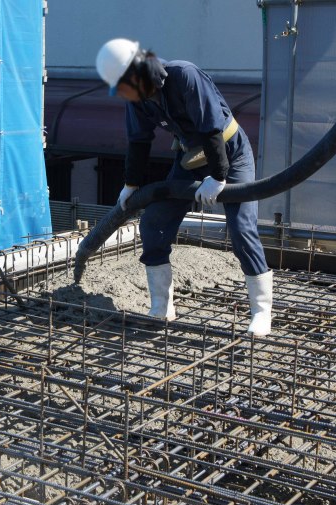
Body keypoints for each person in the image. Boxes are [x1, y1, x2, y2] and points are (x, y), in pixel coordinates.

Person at [95, 38, 273, 336]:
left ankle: (262, 312)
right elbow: (139, 141)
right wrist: (131, 185)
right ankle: (162, 307)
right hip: (191, 158)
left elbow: (211, 128)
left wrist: (218, 177)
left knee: (241, 229)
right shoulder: (138, 98)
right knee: (154, 222)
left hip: (230, 153)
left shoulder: (184, 75)